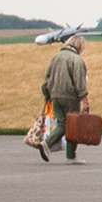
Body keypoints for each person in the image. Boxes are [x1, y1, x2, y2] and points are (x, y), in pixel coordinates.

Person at [35, 35, 91, 165]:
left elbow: (47, 77)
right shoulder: (76, 60)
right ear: (79, 46)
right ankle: (67, 154)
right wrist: (85, 101)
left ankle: (49, 145)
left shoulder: (56, 57)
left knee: (62, 123)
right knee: (72, 126)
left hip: (55, 96)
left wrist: (47, 94)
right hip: (70, 97)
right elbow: (79, 83)